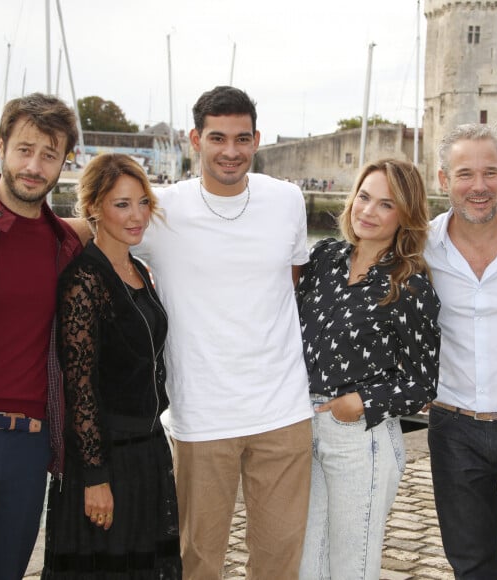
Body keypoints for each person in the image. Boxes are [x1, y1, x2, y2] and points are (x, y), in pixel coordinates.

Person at [132, 86, 313, 579]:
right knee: (198, 561)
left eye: (241, 138)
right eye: (217, 138)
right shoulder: (160, 209)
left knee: (279, 558)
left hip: (283, 410)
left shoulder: (287, 200)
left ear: (256, 139)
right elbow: (95, 230)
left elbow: (292, 279)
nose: (230, 151)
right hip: (201, 415)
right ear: (196, 139)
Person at [0, 93, 81, 580]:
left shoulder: (64, 244)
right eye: (24, 149)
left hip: (28, 449)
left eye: (49, 155)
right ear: (0, 145)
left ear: (64, 162)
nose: (34, 165)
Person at [297, 159, 441, 580]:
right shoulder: (324, 258)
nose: (368, 211)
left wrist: (358, 402)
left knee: (351, 569)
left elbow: (422, 382)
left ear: (406, 216)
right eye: (364, 197)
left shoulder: (410, 283)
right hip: (303, 429)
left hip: (360, 438)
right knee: (308, 565)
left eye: (385, 205)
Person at [42, 154, 182, 579]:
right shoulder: (85, 279)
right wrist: (95, 478)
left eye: (142, 202)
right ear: (94, 208)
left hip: (147, 451)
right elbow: (79, 387)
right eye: (122, 204)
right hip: (106, 457)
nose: (137, 215)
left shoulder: (136, 268)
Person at [425, 124, 497, 578]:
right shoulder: (420, 246)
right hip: (455, 431)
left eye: (491, 173)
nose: (479, 186)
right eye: (465, 174)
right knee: (471, 565)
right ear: (444, 180)